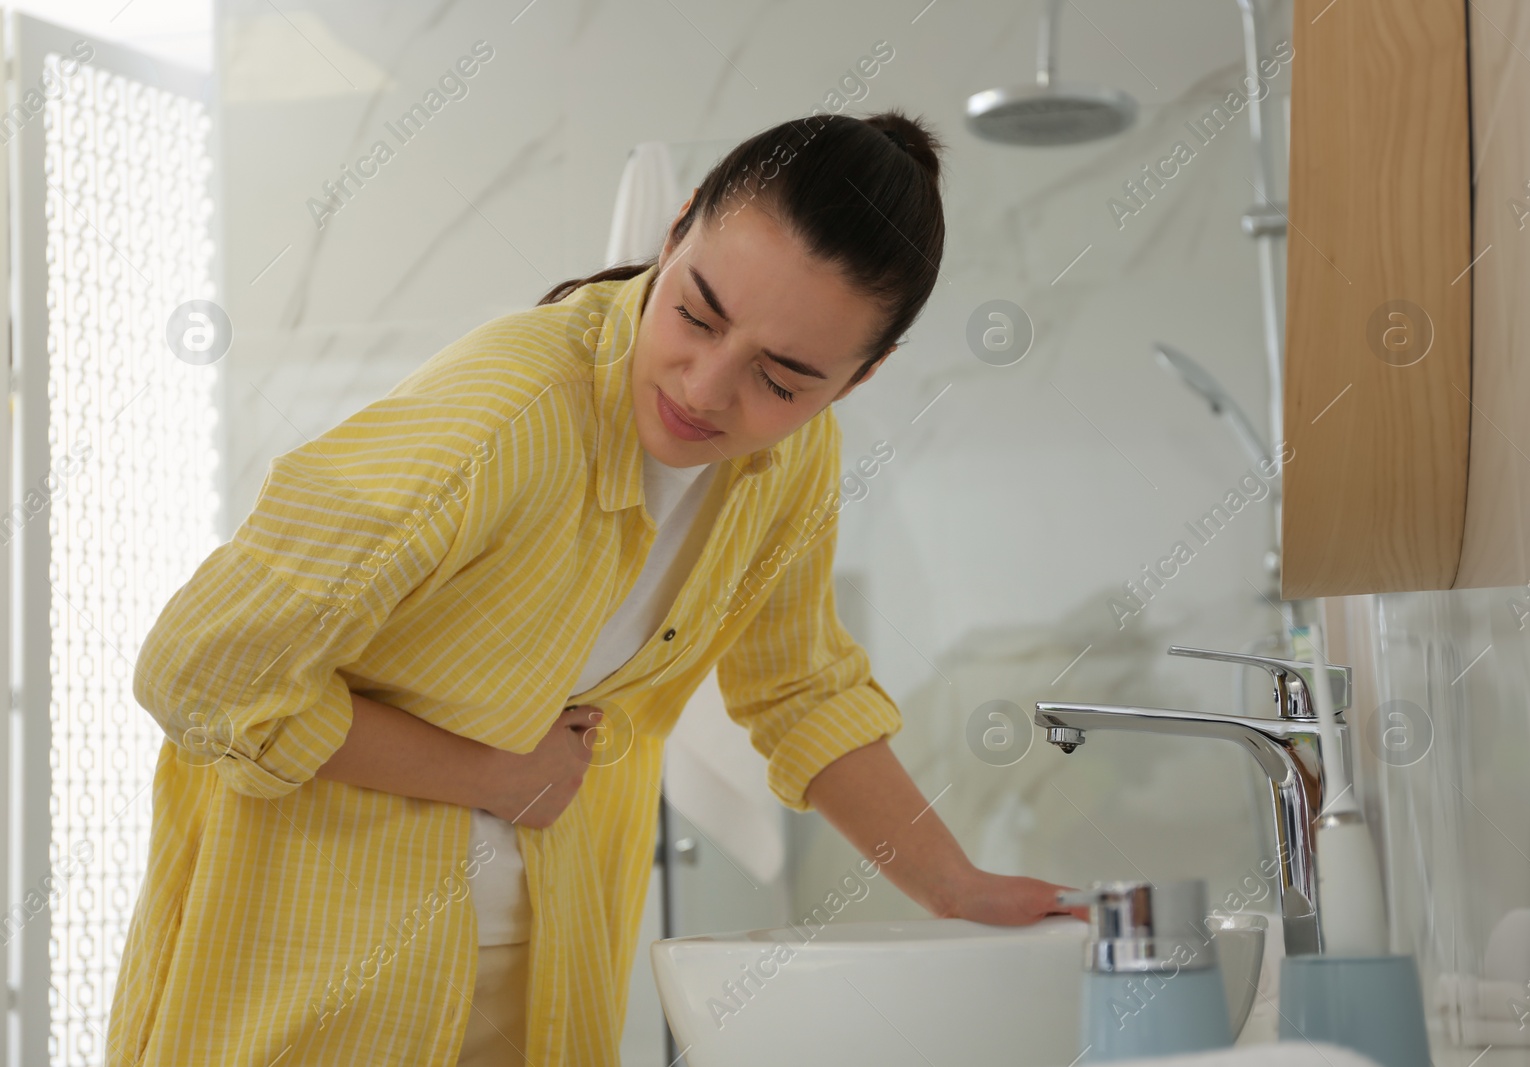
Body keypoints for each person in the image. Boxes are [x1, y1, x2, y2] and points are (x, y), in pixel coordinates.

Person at [105, 108, 1081, 1067]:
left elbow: (799, 687)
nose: (704, 388)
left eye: (781, 379)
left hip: (545, 968)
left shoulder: (792, 462)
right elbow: (199, 669)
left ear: (860, 379)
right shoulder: (503, 418)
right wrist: (489, 773)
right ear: (677, 225)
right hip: (315, 975)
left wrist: (953, 884)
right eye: (696, 312)